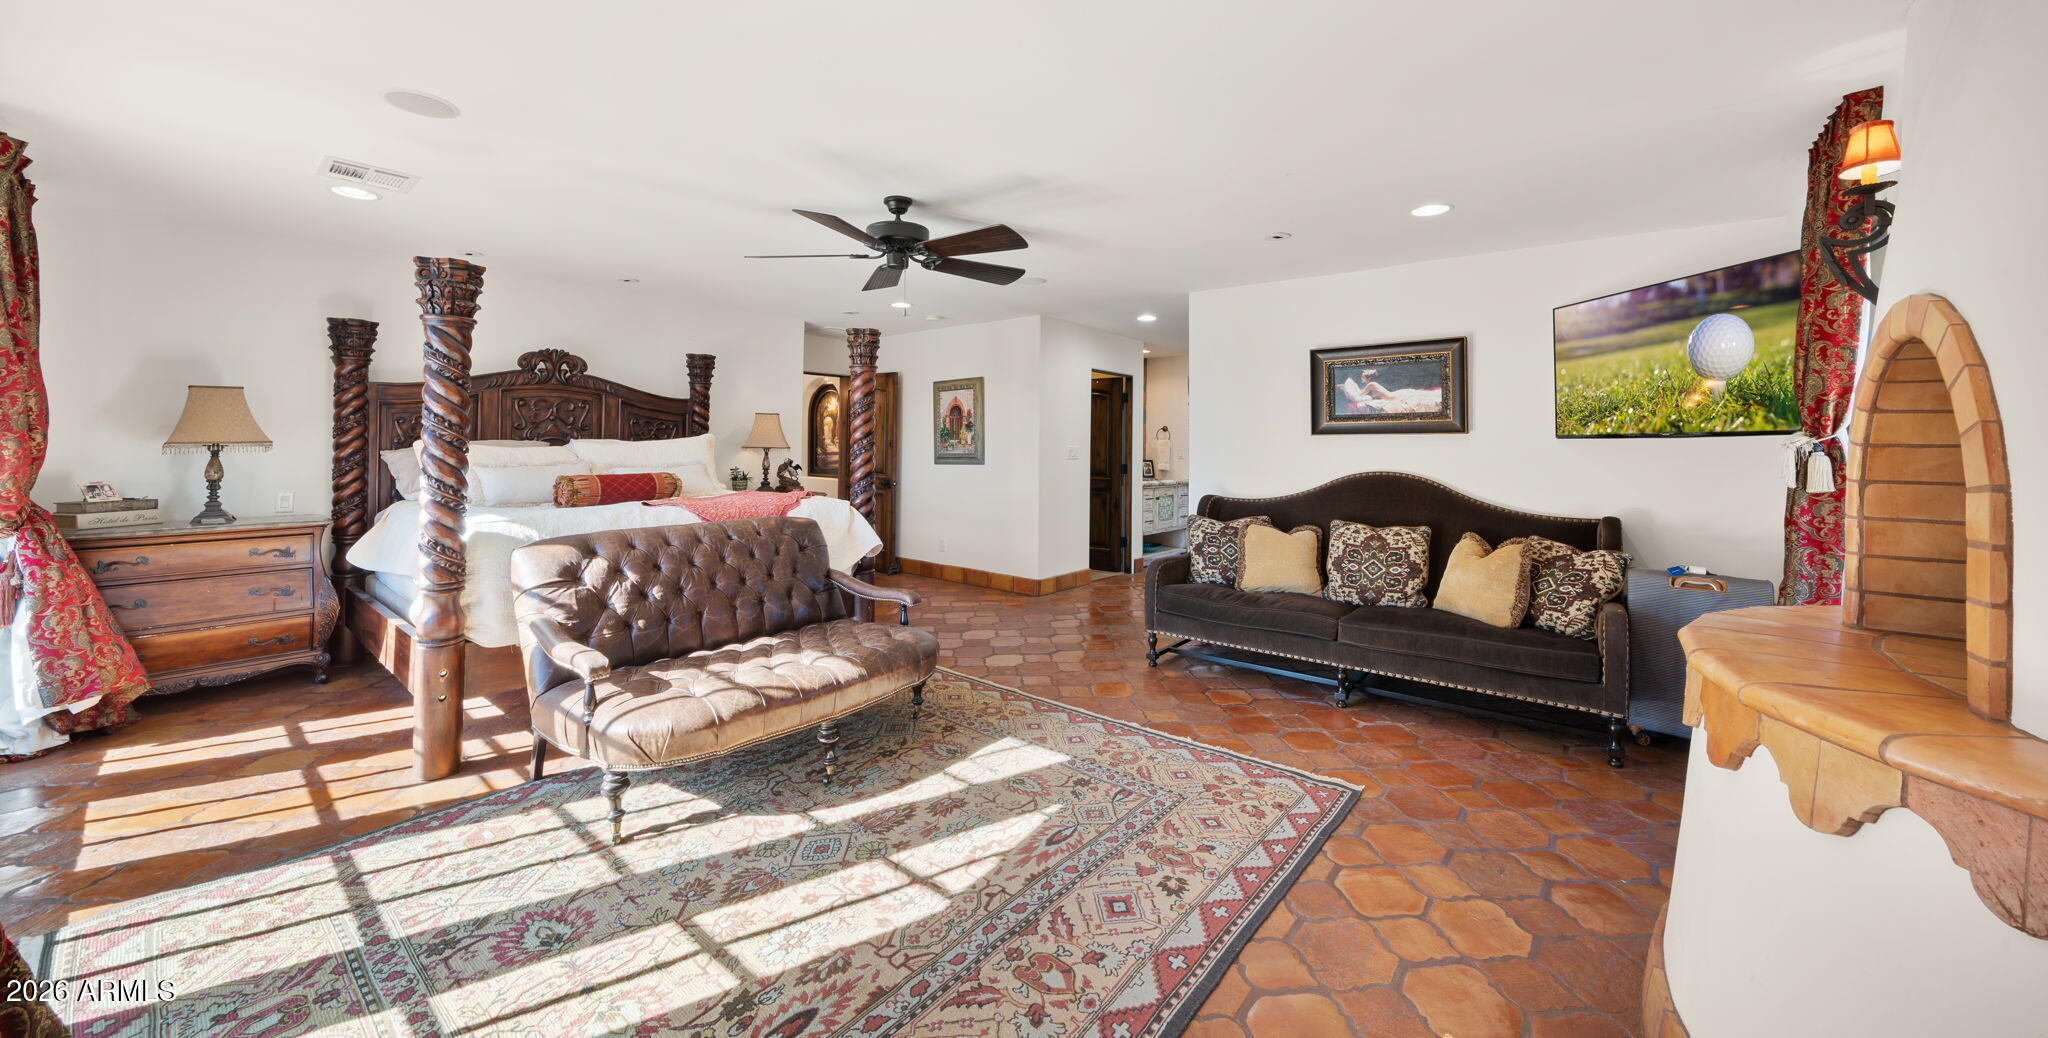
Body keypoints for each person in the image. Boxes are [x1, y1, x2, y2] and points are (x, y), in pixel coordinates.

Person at [1341, 369, 1443, 414]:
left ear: (1367, 378)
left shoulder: (1370, 385)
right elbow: (1362, 393)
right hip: (1393, 394)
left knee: (1420, 400)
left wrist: (1351, 386)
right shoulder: (1371, 385)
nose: (1361, 379)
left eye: (1362, 377)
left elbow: (1360, 394)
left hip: (1392, 396)